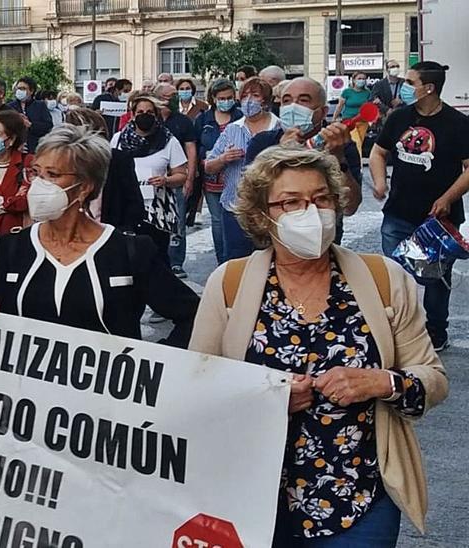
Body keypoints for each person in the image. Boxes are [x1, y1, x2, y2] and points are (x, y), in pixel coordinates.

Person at [191, 146, 449, 547]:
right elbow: (196, 389)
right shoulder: (230, 284)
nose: (310, 212)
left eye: (320, 198)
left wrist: (383, 383)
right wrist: (265, 398)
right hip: (251, 496)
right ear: (263, 215)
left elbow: (432, 377)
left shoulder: (383, 278)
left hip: (359, 496)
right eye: (291, 202)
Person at [0, 124, 197, 346]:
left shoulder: (130, 251)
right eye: (35, 172)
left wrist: (152, 366)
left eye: (52, 174)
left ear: (85, 187)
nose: (38, 184)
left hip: (109, 379)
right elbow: (3, 315)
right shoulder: (13, 247)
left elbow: (193, 315)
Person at [370, 60, 469, 351]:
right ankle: (397, 329)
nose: (405, 87)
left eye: (411, 83)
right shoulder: (399, 117)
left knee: (436, 278)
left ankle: (436, 329)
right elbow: (378, 152)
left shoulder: (458, 124)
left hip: (440, 219)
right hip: (398, 212)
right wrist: (379, 182)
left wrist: (447, 198)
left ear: (429, 88)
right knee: (394, 274)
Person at [245, 77, 364, 234]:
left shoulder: (340, 144)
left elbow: (350, 207)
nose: (293, 107)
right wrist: (281, 152)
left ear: (323, 112)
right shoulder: (263, 142)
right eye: (286, 101)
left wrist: (338, 158)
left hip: (323, 237)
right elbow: (250, 200)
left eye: (303, 100)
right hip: (275, 236)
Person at [204, 78, 280, 263]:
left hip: (269, 208)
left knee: (270, 260)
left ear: (266, 100)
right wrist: (223, 159)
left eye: (255, 95)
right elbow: (208, 166)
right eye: (245, 95)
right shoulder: (232, 129)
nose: (248, 100)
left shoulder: (279, 128)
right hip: (235, 207)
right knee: (236, 261)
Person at [111, 96, 189, 265]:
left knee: (157, 258)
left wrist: (166, 180)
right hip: (125, 209)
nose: (144, 115)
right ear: (132, 115)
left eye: (149, 112)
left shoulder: (168, 141)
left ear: (156, 115)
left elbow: (181, 175)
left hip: (156, 211)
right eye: (140, 112)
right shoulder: (118, 140)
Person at [63, 107, 145, 234]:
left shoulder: (118, 160)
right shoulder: (62, 162)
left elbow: (134, 203)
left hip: (108, 233)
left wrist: (121, 234)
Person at [195, 78, 243, 263]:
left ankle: (235, 257)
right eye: (222, 98)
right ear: (214, 98)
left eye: (229, 97)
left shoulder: (240, 117)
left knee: (236, 218)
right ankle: (222, 260)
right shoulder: (204, 119)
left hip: (236, 177)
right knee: (217, 220)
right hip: (212, 178)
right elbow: (195, 144)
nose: (226, 101)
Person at [154, 84, 199, 277]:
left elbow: (191, 149)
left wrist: (189, 177)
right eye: (169, 95)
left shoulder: (183, 121)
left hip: (177, 178)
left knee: (178, 221)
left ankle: (176, 262)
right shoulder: (150, 120)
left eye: (174, 95)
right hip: (153, 178)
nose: (173, 98)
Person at [7, 76, 54, 153]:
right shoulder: (10, 107)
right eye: (18, 88)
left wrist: (30, 125)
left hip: (36, 149)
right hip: (15, 150)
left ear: (31, 91)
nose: (19, 91)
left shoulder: (40, 105)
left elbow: (48, 126)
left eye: (23, 88)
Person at [334, 72, 372, 157]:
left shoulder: (367, 92)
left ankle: (353, 161)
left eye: (363, 79)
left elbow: (369, 107)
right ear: (354, 80)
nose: (361, 81)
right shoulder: (347, 92)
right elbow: (340, 106)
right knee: (356, 141)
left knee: (360, 143)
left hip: (363, 121)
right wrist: (334, 118)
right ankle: (359, 164)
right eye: (359, 78)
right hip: (349, 121)